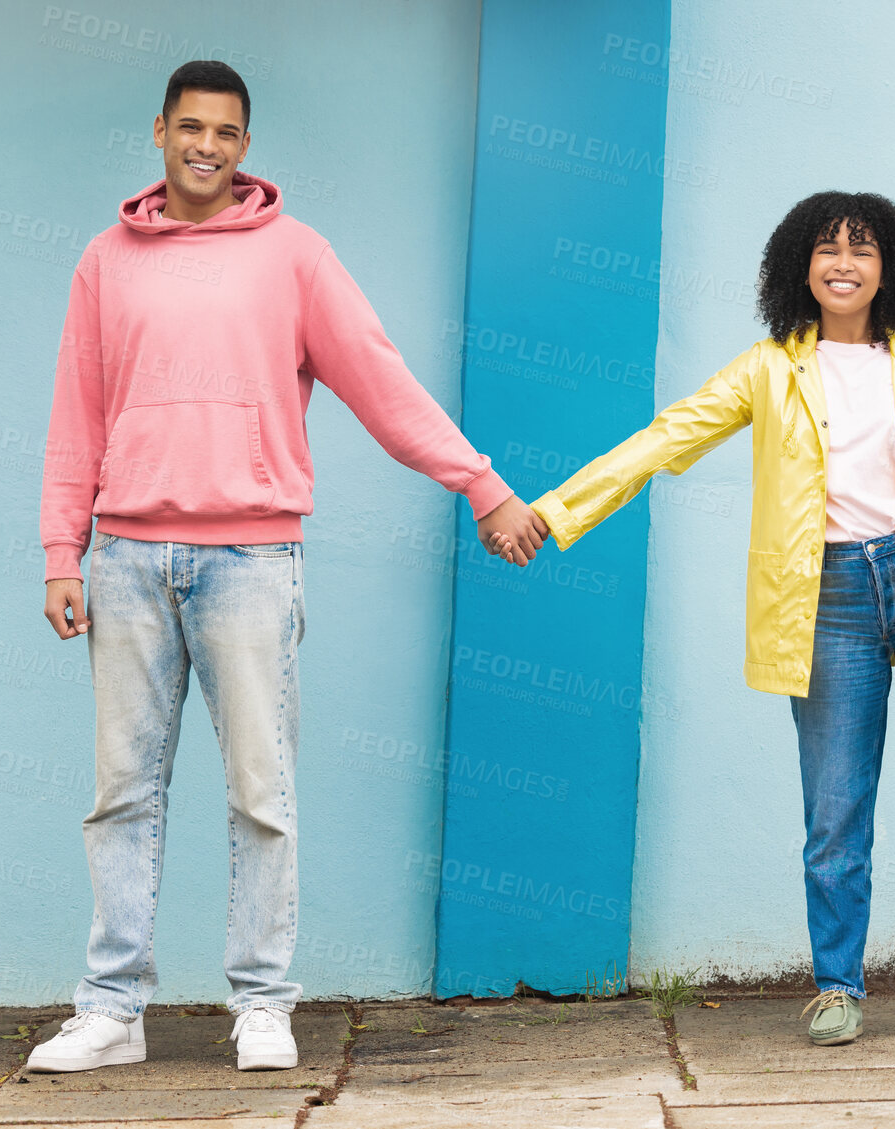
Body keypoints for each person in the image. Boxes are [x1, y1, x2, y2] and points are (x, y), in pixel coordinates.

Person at [30, 60, 547, 1074]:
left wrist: (480, 483)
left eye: (225, 132)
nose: (206, 147)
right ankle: (112, 1009)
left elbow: (380, 383)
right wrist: (62, 549)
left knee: (260, 793)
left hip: (250, 559)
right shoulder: (104, 262)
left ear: (245, 146)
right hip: (127, 557)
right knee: (120, 795)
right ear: (159, 132)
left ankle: (262, 1002)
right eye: (190, 128)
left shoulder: (295, 257)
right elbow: (74, 416)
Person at [493, 192, 895, 1046]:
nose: (843, 263)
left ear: (892, 267)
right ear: (799, 266)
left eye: (862, 248)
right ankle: (836, 986)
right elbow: (666, 439)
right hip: (829, 604)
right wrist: (554, 512)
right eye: (826, 247)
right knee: (835, 812)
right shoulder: (768, 369)